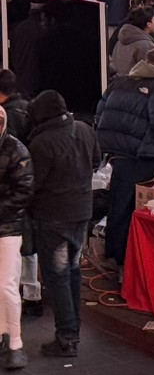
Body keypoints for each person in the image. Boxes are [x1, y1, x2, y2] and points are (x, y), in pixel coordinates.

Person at [25, 90, 94, 359]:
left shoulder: (41, 143)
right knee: (73, 273)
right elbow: (96, 161)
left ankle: (67, 337)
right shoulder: (85, 129)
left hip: (53, 217)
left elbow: (33, 183)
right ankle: (73, 331)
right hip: (82, 212)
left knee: (57, 277)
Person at [96, 47, 154, 265]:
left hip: (119, 154)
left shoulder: (120, 82)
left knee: (118, 205)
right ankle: (131, 260)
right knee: (140, 209)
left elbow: (100, 111)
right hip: (146, 156)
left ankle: (113, 254)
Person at [0, 106, 32, 369]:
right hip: (7, 223)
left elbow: (24, 191)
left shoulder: (16, 149)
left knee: (6, 285)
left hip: (9, 228)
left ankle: (16, 343)